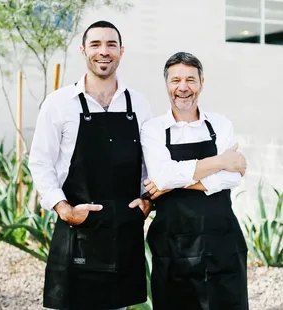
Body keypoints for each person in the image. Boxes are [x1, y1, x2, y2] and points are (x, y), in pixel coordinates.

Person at [28, 20, 152, 310]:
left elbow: (150, 163)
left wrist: (148, 201)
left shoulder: (140, 104)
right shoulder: (58, 103)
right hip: (78, 231)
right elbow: (40, 162)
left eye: (111, 44)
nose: (103, 51)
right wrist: (64, 209)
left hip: (124, 231)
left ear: (121, 51)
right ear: (83, 50)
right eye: (95, 44)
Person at [141, 52, 249, 310]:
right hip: (173, 245)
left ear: (202, 82)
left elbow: (232, 177)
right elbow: (161, 175)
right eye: (175, 80)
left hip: (222, 242)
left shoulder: (221, 124)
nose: (183, 87)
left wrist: (172, 183)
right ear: (166, 85)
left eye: (190, 79)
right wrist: (221, 161)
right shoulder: (153, 129)